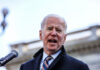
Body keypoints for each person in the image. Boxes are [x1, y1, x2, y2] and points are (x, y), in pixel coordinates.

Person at [20, 14, 89, 70]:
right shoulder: (25, 67)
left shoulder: (79, 67)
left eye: (58, 30)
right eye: (49, 29)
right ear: (41, 35)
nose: (53, 33)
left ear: (64, 38)